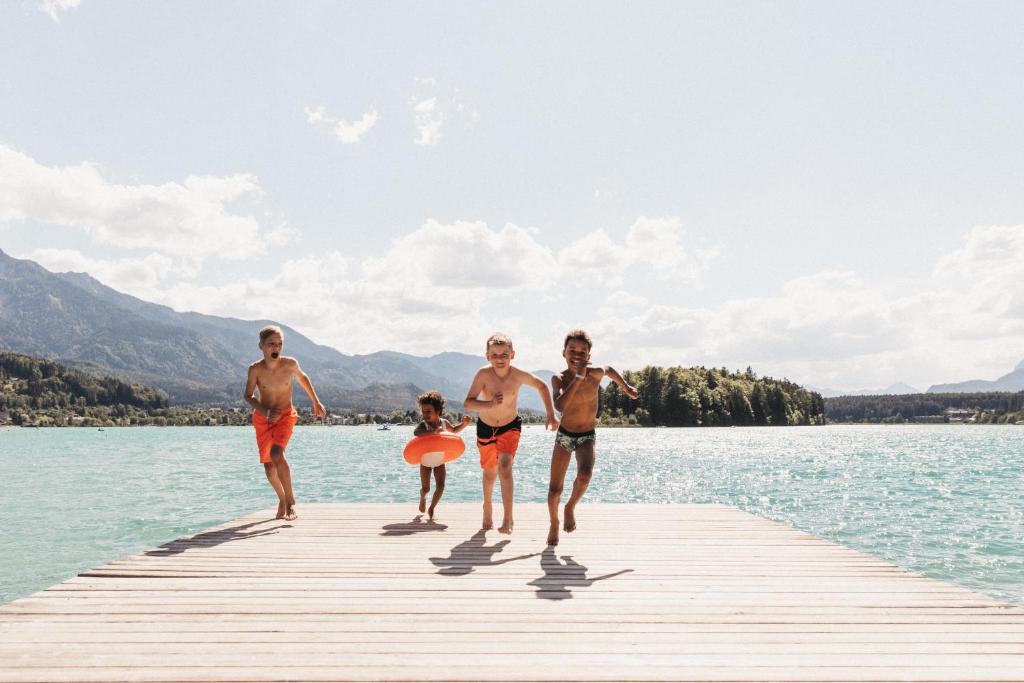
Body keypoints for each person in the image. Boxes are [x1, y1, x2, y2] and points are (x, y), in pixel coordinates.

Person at [547, 329, 638, 546]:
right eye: (572, 351)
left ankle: (570, 507)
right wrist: (577, 378)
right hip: (565, 435)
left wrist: (626, 388)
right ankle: (553, 522)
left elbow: (609, 370)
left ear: (589, 356)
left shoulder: (595, 372)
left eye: (582, 352)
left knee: (585, 474)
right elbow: (559, 406)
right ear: (564, 353)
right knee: (554, 489)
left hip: (587, 435)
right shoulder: (559, 378)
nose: (577, 356)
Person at [464, 333, 558, 534]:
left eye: (504, 354)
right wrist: (489, 404)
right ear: (487, 356)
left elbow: (542, 386)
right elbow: (468, 403)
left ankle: (508, 518)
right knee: (490, 472)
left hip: (510, 426)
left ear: (512, 354)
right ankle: (487, 506)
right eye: (495, 354)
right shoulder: (483, 375)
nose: (500, 359)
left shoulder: (518, 375)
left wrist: (550, 414)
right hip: (486, 427)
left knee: (505, 466)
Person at [244, 325, 326, 521]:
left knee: (276, 453)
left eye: (279, 344)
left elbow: (303, 377)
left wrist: (316, 401)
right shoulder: (255, 370)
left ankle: (290, 503)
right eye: (271, 344)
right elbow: (248, 395)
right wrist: (265, 411)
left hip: (285, 416)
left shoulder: (289, 364)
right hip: (263, 419)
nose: (276, 347)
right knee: (269, 467)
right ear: (261, 346)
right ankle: (281, 499)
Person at [413, 390, 472, 521]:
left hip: (439, 460)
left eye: (428, 411)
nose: (425, 414)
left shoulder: (444, 423)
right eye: (423, 411)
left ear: (438, 411)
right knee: (426, 488)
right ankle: (422, 497)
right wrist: (434, 432)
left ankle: (432, 508)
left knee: (441, 486)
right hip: (425, 462)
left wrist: (464, 424)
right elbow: (416, 433)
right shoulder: (424, 425)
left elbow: (454, 431)